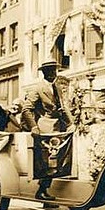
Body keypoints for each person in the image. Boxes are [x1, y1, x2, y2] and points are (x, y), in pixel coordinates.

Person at [21, 60, 73, 201]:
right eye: (49, 71)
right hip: (46, 127)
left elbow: (63, 106)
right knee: (49, 160)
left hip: (59, 126)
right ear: (44, 73)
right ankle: (42, 190)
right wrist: (34, 126)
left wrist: (71, 123)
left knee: (57, 160)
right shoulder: (38, 89)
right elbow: (26, 109)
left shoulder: (57, 86)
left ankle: (46, 191)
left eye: (54, 71)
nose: (52, 74)